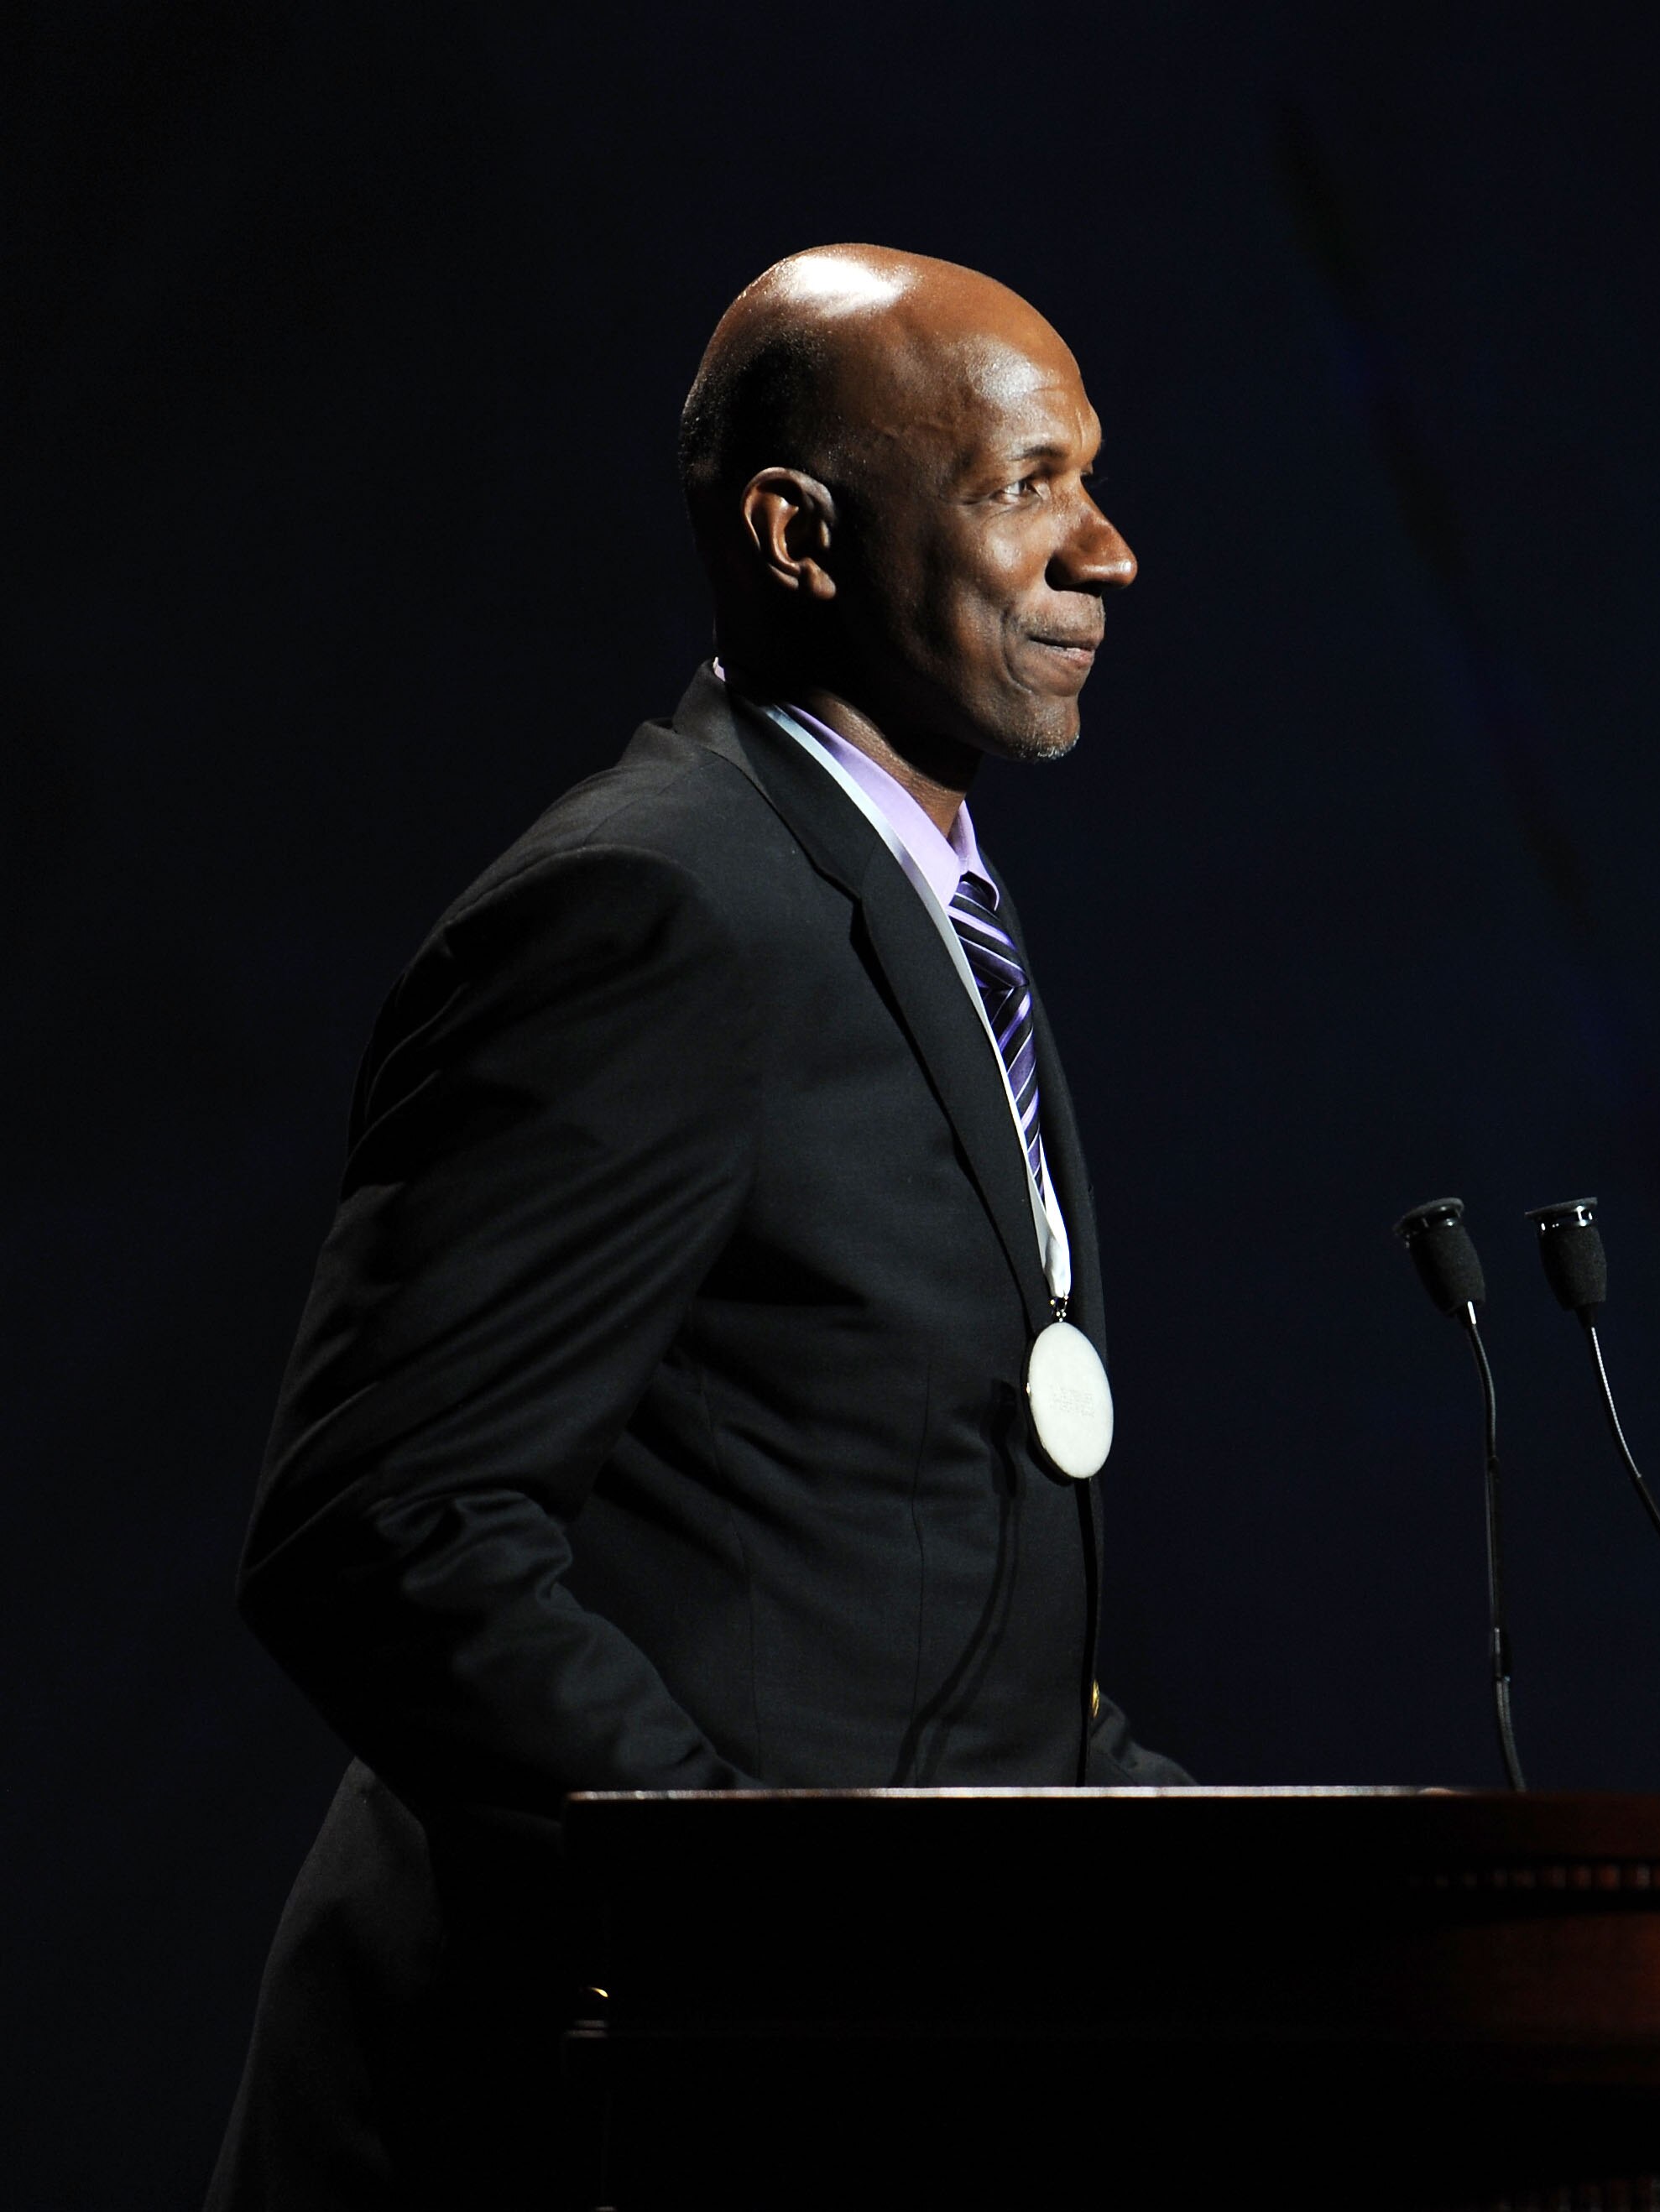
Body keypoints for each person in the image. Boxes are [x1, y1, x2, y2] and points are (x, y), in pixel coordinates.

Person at [207, 245, 1188, 2210]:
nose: (1108, 553)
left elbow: (873, 1538)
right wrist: (737, 1914)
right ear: (795, 535)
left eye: (1089, 476)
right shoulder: (655, 911)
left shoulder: (904, 906)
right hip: (581, 2104)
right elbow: (380, 1529)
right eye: (1021, 485)